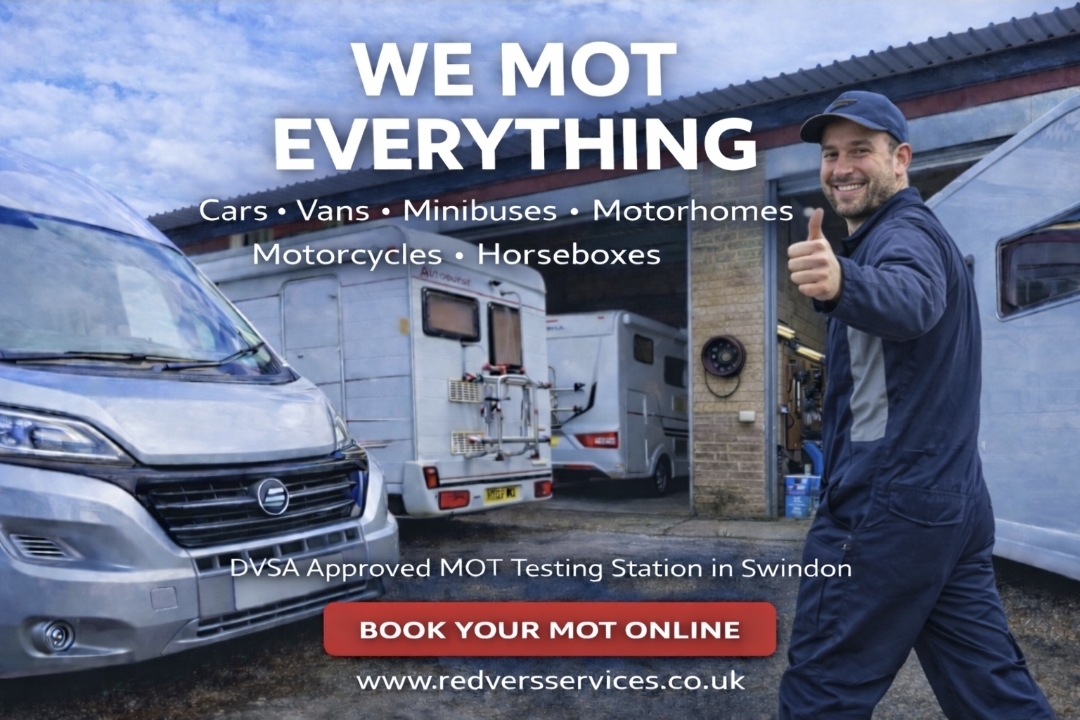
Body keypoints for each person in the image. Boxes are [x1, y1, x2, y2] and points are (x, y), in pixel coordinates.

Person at [777, 90, 1056, 720]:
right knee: (991, 690)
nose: (841, 167)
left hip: (885, 505)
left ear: (900, 159)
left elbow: (911, 300)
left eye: (860, 151)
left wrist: (842, 282)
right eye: (830, 154)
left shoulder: (902, 235)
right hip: (948, 504)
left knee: (823, 688)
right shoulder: (909, 236)